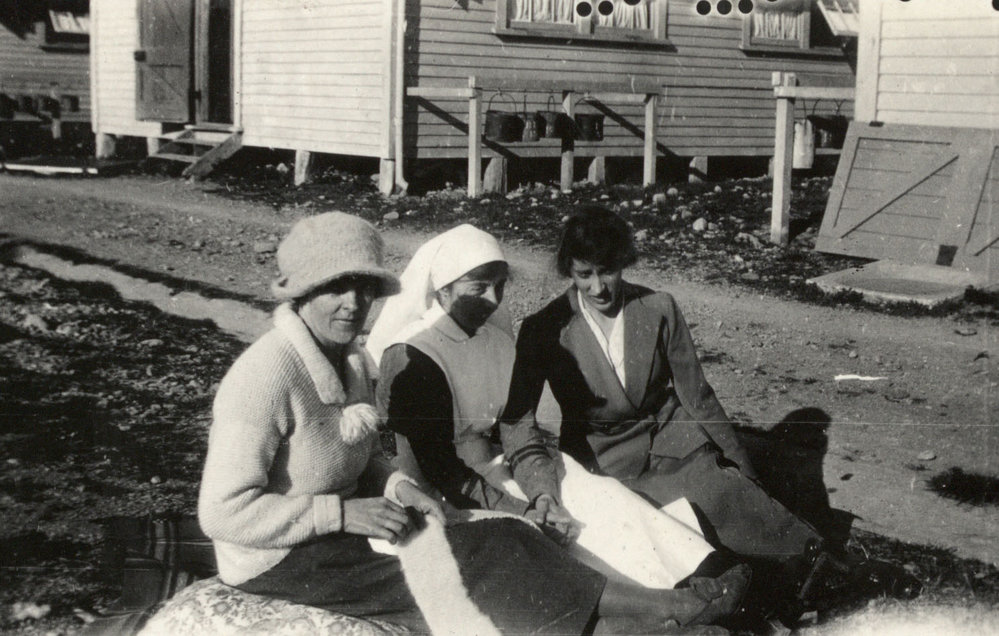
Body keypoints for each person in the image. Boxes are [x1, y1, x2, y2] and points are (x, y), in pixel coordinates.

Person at [197, 212, 736, 635]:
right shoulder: (264, 376)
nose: (354, 304)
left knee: (507, 541)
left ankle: (663, 609)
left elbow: (361, 457)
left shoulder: (351, 361)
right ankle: (651, 622)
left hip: (338, 528)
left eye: (365, 288)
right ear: (300, 293)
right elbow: (221, 513)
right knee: (465, 573)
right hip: (281, 558)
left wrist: (399, 486)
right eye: (335, 288)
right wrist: (341, 512)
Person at [497, 205, 922, 620]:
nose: (598, 288)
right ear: (568, 271)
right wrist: (540, 488)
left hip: (672, 442)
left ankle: (836, 571)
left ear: (623, 262)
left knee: (733, 502)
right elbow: (516, 421)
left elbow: (697, 395)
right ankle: (765, 604)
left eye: (607, 271)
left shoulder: (658, 308)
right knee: (673, 549)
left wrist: (741, 469)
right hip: (605, 464)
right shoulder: (544, 329)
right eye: (583, 275)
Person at [367, 223, 751, 630]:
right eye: (478, 287)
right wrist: (522, 512)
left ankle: (690, 585)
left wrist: (542, 495)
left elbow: (517, 425)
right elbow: (434, 469)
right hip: (448, 491)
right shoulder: (414, 353)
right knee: (544, 543)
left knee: (594, 494)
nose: (493, 299)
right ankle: (654, 617)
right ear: (442, 289)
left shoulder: (495, 339)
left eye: (499, 286)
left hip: (501, 468)